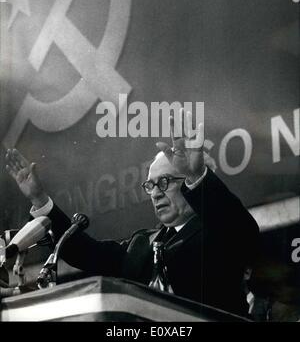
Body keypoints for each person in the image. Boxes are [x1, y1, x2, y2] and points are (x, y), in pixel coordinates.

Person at [5, 110, 260, 317]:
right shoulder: (141, 244)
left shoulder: (219, 232)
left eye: (165, 182)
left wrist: (197, 176)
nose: (156, 193)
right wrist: (39, 198)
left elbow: (240, 229)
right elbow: (85, 252)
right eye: (150, 185)